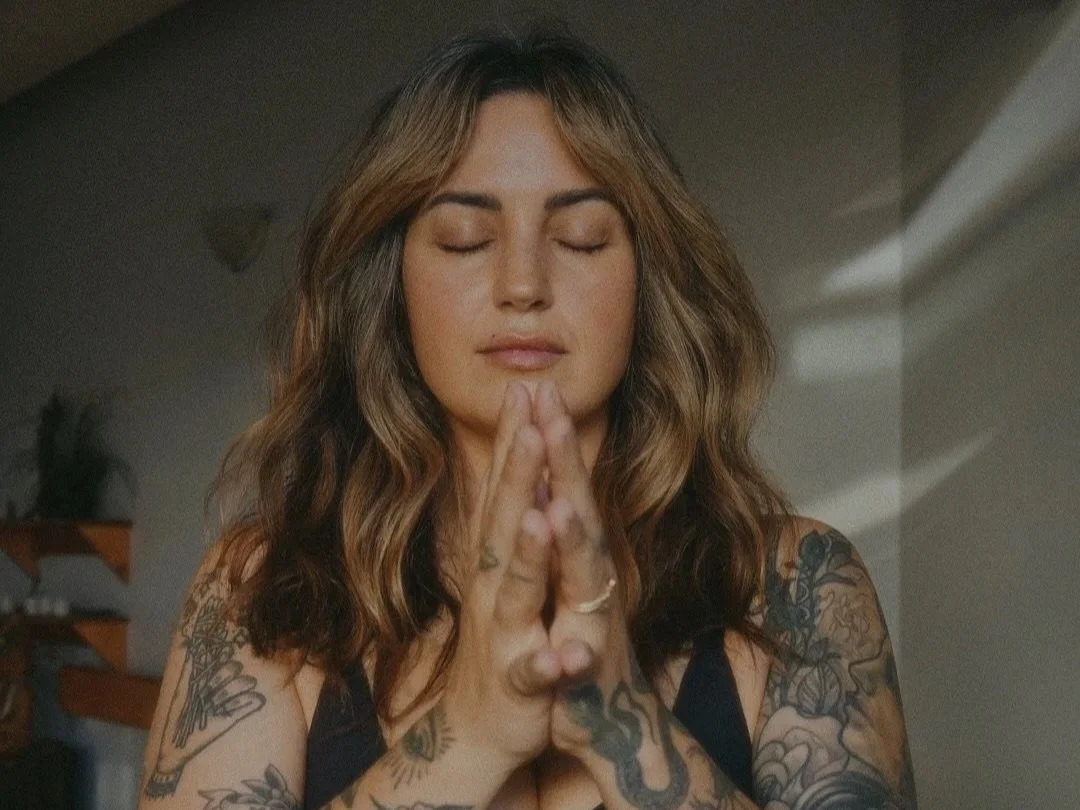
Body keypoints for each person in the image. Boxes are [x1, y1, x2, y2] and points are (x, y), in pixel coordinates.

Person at [138, 20, 916, 810]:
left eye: (580, 239)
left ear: (647, 280)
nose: (523, 284)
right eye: (465, 239)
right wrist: (471, 735)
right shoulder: (260, 590)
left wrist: (624, 725)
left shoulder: (800, 586)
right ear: (392, 289)